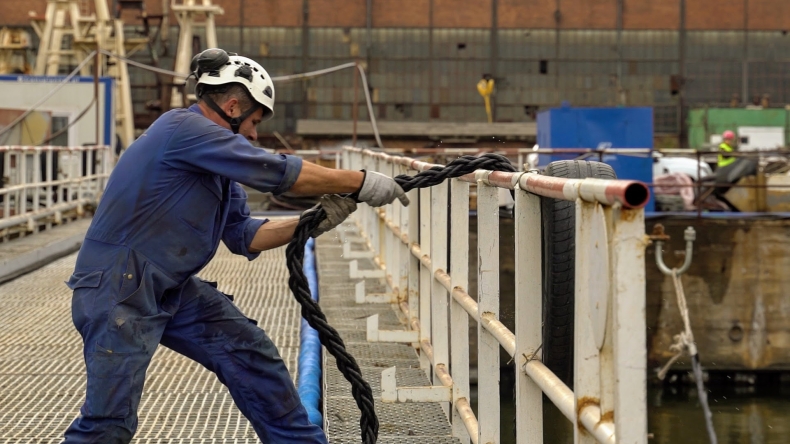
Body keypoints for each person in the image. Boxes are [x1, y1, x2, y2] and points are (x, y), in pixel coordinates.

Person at [61, 48, 407, 443]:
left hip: (169, 288)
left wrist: (312, 222)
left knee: (250, 354)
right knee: (108, 423)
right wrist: (359, 181)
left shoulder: (217, 172)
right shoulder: (181, 128)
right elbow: (276, 173)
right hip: (118, 289)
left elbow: (245, 235)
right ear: (231, 107)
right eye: (255, 122)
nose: (255, 135)